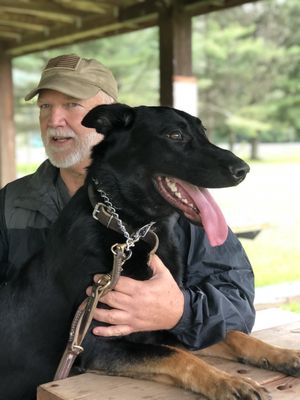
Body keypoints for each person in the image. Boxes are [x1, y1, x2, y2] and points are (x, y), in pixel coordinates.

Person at [0, 53, 255, 350]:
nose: (54, 120)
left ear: (109, 118)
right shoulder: (10, 204)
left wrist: (180, 312)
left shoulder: (175, 205)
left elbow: (238, 305)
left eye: (72, 104)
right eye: (45, 106)